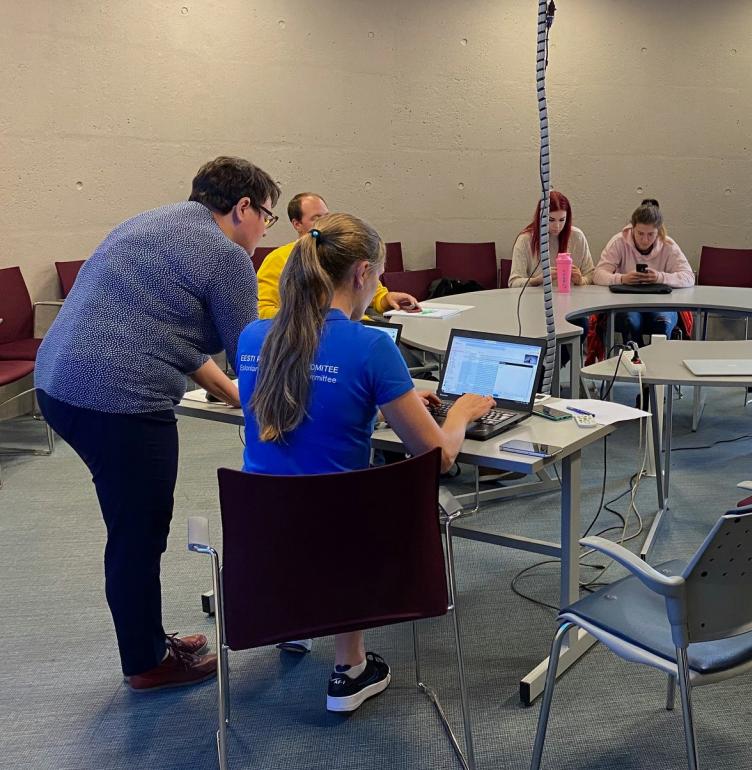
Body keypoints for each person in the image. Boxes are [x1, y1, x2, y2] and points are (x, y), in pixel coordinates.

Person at [35, 156, 280, 691]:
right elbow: (252, 353)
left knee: (131, 526)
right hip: (117, 401)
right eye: (267, 215)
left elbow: (163, 328)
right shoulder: (227, 258)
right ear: (243, 207)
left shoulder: (152, 222)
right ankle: (145, 662)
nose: (265, 229)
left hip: (57, 384)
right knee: (138, 534)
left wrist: (228, 393)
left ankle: (147, 638)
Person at [237, 212, 494, 713]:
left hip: (263, 531)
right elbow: (438, 457)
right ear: (360, 274)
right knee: (357, 500)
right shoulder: (372, 346)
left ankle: (294, 623)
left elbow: (307, 388)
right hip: (342, 533)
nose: (378, 284)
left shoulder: (252, 337)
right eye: (378, 275)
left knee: (306, 495)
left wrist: (389, 395)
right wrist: (461, 411)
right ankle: (349, 667)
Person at [256, 192, 421, 319]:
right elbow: (263, 311)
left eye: (327, 217)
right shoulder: (277, 259)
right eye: (316, 218)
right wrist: (309, 319)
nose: (324, 223)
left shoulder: (344, 249)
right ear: (297, 224)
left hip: (356, 326)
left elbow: (371, 292)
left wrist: (386, 299)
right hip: (307, 335)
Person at [592, 199, 695, 342]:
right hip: (627, 304)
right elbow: (598, 275)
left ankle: (656, 359)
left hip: (660, 305)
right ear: (632, 227)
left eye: (650, 234)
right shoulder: (619, 242)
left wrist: (660, 277)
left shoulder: (668, 245)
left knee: (663, 322)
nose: (645, 240)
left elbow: (689, 277)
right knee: (630, 322)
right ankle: (636, 357)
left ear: (658, 231)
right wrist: (622, 279)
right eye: (640, 233)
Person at [509, 190, 594, 287]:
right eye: (551, 220)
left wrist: (581, 280)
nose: (557, 226)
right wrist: (537, 280)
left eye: (562, 220)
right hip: (536, 300)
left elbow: (591, 275)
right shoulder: (525, 240)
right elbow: (513, 282)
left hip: (572, 299)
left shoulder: (577, 236)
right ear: (541, 217)